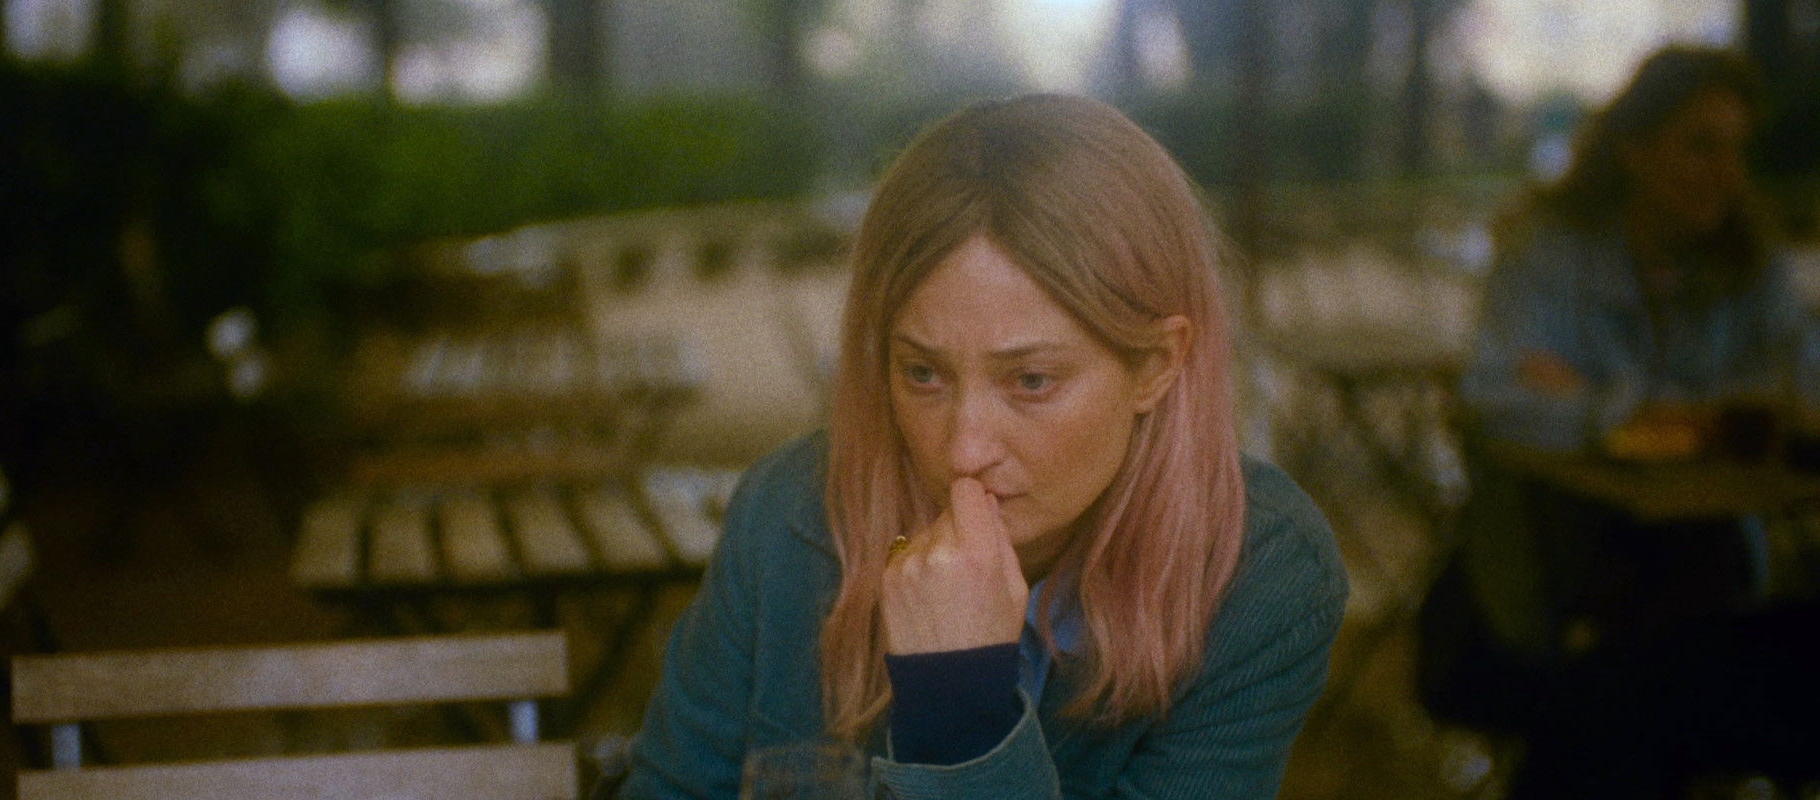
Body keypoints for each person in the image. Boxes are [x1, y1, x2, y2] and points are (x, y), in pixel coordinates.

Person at [620, 94, 1347, 799]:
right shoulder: (788, 515)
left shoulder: (1258, 573)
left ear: (1156, 365)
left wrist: (957, 702)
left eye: (1031, 380)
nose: (963, 452)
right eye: (923, 373)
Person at [1435, 45, 1820, 796]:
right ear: (1635, 149)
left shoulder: (1747, 261)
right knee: (1624, 687)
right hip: (1563, 550)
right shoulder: (1553, 250)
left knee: (1689, 655)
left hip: (1709, 546)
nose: (1727, 173)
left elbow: (1800, 390)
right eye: (1700, 146)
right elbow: (1495, 397)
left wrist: (1618, 408)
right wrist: (1654, 418)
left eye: (1737, 149)